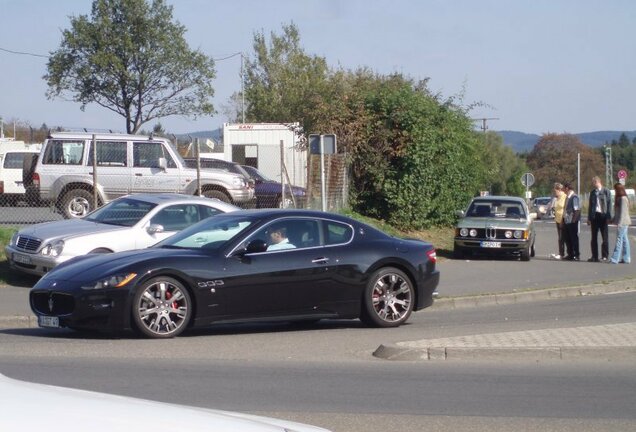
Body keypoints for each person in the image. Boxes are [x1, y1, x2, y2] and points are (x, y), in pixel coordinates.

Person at [587, 176, 612, 262]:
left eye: (594, 182)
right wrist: (589, 218)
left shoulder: (606, 191)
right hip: (595, 216)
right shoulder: (593, 193)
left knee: (604, 237)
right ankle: (594, 256)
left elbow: (609, 204)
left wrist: (609, 216)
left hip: (603, 215)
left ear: (598, 182)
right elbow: (590, 206)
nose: (594, 184)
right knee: (593, 237)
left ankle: (605, 255)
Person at [609, 183, 631, 264]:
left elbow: (623, 213)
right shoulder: (620, 198)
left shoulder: (623, 199)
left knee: (619, 239)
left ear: (618, 190)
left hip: (623, 222)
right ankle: (626, 258)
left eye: (615, 189)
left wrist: (620, 224)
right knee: (625, 240)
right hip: (623, 221)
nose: (615, 191)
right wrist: (613, 219)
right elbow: (618, 212)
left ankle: (615, 258)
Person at [562, 182, 581, 261]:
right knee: (567, 238)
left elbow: (576, 210)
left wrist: (574, 220)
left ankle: (576, 254)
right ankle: (570, 254)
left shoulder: (574, 197)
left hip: (572, 221)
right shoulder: (568, 197)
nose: (563, 190)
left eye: (564, 188)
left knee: (574, 238)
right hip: (567, 220)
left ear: (567, 188)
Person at [549, 182, 567, 260]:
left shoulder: (565, 197)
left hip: (563, 220)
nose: (555, 192)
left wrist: (562, 220)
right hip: (557, 219)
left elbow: (565, 209)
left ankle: (562, 253)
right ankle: (561, 253)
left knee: (562, 237)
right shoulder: (557, 198)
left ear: (559, 190)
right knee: (560, 237)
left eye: (555, 191)